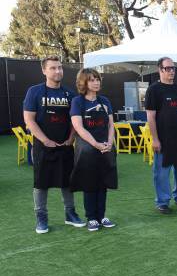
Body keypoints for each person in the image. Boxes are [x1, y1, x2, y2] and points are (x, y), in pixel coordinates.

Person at [23, 55, 85, 234]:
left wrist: (71, 138)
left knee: (67, 182)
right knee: (41, 184)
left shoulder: (70, 94)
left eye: (60, 67)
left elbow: (75, 121)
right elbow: (29, 120)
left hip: (65, 146)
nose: (58, 71)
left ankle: (70, 214)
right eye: (53, 68)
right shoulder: (34, 92)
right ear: (44, 70)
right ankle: (41, 218)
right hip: (43, 147)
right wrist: (44, 140)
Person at [69, 68, 118, 231]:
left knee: (103, 182)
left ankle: (101, 216)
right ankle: (91, 218)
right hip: (87, 149)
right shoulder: (77, 102)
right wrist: (95, 144)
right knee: (89, 183)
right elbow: (78, 127)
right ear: (84, 82)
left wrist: (110, 142)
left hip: (105, 147)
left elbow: (111, 125)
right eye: (91, 79)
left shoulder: (105, 101)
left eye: (97, 79)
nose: (96, 82)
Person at [145, 57, 177, 214]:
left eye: (173, 68)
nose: (171, 71)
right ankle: (163, 201)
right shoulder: (153, 90)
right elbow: (151, 116)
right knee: (162, 172)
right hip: (163, 139)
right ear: (160, 70)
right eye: (168, 68)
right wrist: (155, 139)